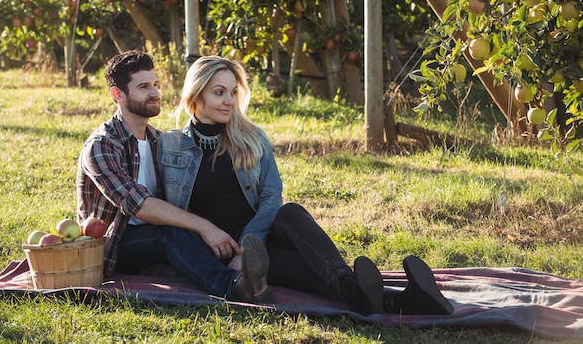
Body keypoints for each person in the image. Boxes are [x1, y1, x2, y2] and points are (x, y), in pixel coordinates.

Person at [157, 55, 454, 315]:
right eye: (219, 92)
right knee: (314, 273)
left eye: (233, 92)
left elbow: (272, 196)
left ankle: (361, 289)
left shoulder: (252, 138)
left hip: (261, 240)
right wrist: (225, 249)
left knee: (290, 212)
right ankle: (407, 303)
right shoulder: (169, 145)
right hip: (216, 252)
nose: (229, 101)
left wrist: (248, 249)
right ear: (196, 96)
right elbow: (166, 209)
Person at [76, 49, 275, 304]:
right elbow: (141, 206)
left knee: (180, 234)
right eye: (144, 87)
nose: (155, 93)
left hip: (166, 235)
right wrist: (205, 227)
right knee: (169, 235)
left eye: (156, 84)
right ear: (118, 95)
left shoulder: (160, 140)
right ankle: (234, 288)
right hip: (117, 244)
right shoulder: (102, 145)